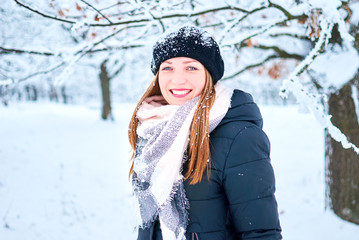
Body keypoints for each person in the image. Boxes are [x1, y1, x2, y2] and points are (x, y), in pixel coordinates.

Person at [128, 26, 282, 240]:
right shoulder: (152, 128)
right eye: (168, 68)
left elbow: (261, 233)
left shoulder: (240, 137)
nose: (178, 79)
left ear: (209, 74)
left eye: (191, 68)